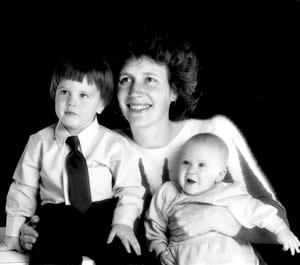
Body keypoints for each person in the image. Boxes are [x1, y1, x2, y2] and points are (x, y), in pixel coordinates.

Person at [19, 32, 290, 264]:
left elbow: (277, 221)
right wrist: (31, 230)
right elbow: (70, 207)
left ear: (173, 91)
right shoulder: (104, 145)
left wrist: (222, 220)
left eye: (150, 79)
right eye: (126, 80)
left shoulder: (212, 134)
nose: (135, 91)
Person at [0, 57, 145, 265]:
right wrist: (13, 234)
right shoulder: (38, 141)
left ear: (101, 104)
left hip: (101, 217)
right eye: (64, 92)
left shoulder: (115, 144)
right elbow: (23, 188)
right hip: (57, 219)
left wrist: (124, 223)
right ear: (54, 94)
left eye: (84, 95)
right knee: (46, 257)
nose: (72, 102)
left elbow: (130, 188)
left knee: (128, 255)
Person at [145, 133, 300, 265]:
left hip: (230, 256)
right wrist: (160, 250)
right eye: (186, 162)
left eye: (201, 165)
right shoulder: (168, 192)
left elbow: (257, 211)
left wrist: (281, 230)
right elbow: (154, 225)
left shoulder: (227, 192)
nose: (191, 170)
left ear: (219, 175)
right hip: (186, 256)